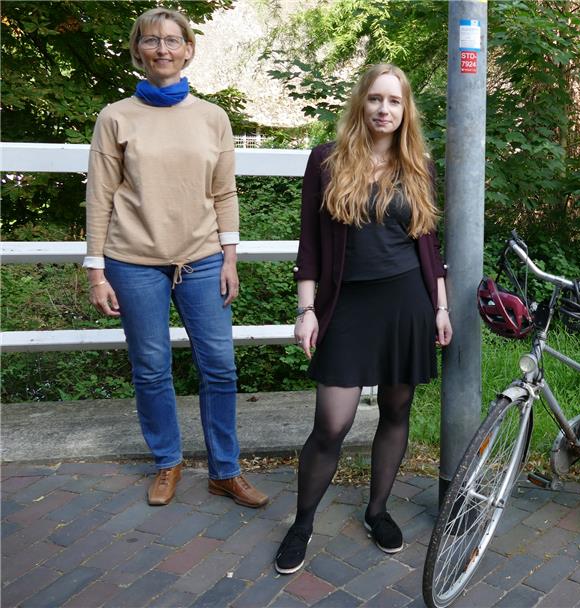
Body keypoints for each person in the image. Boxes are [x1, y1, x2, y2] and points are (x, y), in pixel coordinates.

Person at [84, 8, 268, 509]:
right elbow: (99, 196)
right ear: (137, 50)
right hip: (132, 260)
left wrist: (229, 257)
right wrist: (97, 270)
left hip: (203, 258)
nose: (162, 49)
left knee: (220, 366)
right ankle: (168, 462)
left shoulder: (213, 118)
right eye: (151, 40)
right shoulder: (116, 117)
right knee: (150, 367)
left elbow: (224, 193)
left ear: (189, 49)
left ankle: (224, 471)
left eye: (173, 40)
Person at [274, 63, 453, 574]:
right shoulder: (327, 161)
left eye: (394, 102)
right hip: (346, 305)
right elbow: (310, 243)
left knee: (396, 412)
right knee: (332, 424)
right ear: (361, 103)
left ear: (405, 110)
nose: (384, 109)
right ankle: (302, 523)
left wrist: (440, 306)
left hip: (407, 305)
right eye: (376, 99)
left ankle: (377, 511)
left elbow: (429, 243)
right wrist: (306, 310)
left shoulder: (416, 162)